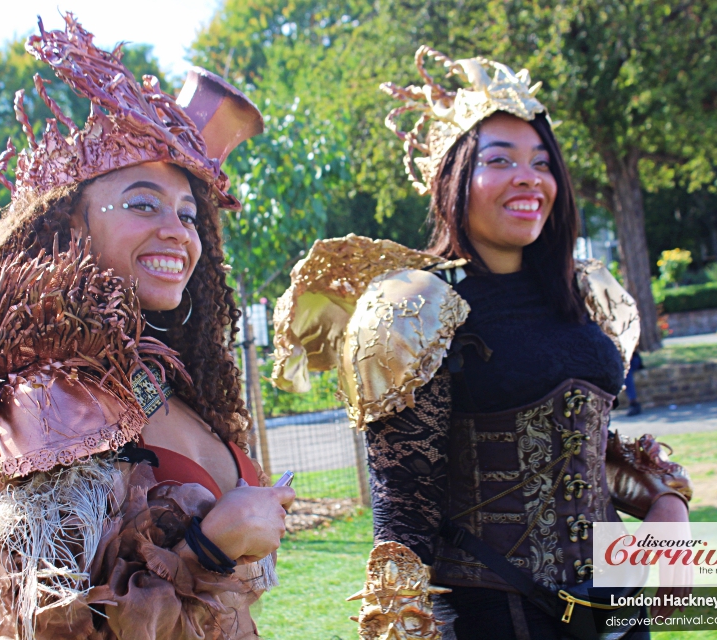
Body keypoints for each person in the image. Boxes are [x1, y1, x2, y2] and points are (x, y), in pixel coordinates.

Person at [271, 47, 692, 639]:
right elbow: (405, 509)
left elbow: (581, 448)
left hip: (616, 614)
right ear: (453, 179)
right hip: (497, 617)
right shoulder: (414, 306)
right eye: (501, 160)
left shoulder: (584, 291)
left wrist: (667, 502)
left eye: (543, 162)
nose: (529, 177)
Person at [0, 15, 293, 639]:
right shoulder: (48, 396)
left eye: (189, 213)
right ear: (70, 227)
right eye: (143, 203)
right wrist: (211, 546)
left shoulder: (143, 379)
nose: (177, 230)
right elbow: (40, 624)